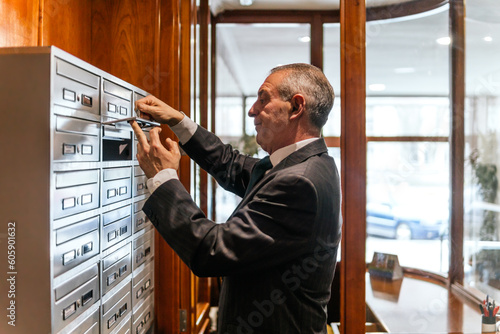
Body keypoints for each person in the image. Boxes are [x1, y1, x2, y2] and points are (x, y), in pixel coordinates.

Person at [130, 63, 342, 334]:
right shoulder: (309, 163)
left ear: (296, 107)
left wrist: (163, 177)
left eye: (263, 98)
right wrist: (178, 121)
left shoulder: (298, 181)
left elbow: (213, 251)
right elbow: (230, 164)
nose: (252, 109)